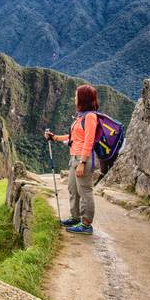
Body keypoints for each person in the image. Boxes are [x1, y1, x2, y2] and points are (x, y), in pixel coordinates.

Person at [44, 84, 99, 235]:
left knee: (85, 191)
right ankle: (75, 217)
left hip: (83, 159)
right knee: (73, 189)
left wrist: (82, 162)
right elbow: (72, 137)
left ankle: (86, 224)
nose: (74, 98)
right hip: (74, 158)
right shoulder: (80, 117)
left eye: (76, 96)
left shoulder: (90, 117)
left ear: (83, 99)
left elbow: (89, 141)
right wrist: (54, 137)